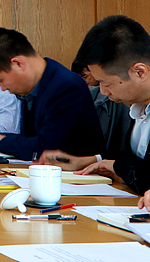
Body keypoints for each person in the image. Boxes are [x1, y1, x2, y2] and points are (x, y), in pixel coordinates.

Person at [39, 16, 150, 195]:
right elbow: (135, 160)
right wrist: (91, 160)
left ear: (139, 72)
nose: (103, 92)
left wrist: (119, 166)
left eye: (106, 83)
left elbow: (145, 175)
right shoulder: (138, 106)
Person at [0, 27, 104, 161]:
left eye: (1, 80)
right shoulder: (31, 86)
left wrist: (2, 142)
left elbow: (48, 148)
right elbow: (32, 139)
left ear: (18, 63)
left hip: (77, 173)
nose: (3, 88)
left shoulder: (66, 86)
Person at [72, 60, 132, 157]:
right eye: (77, 77)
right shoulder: (79, 96)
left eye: (85, 76)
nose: (82, 81)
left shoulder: (117, 99)